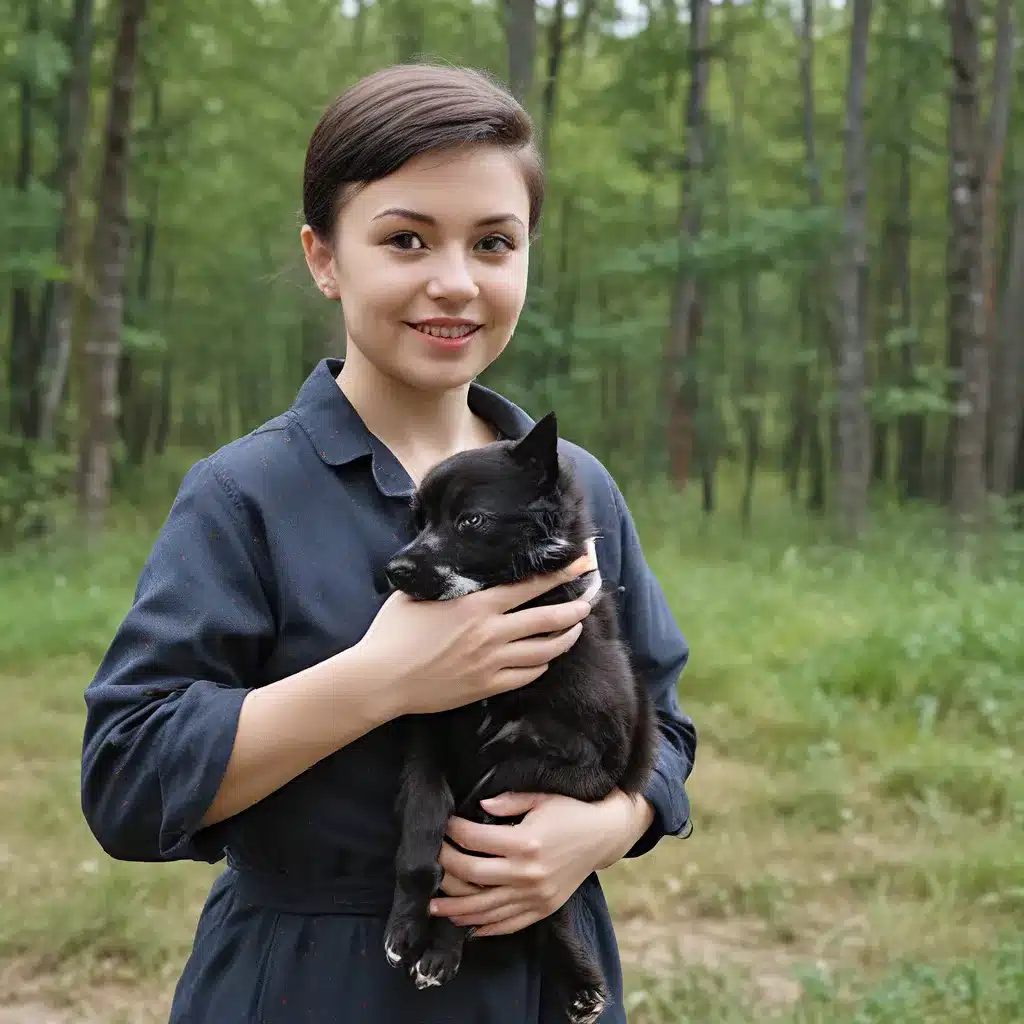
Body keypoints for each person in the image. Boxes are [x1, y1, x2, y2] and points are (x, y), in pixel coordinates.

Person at [80, 63, 697, 1023]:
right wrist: (383, 680)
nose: (454, 282)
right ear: (326, 257)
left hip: (541, 985)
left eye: (495, 242)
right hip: (312, 980)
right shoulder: (246, 495)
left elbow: (666, 724)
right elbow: (127, 775)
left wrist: (602, 829)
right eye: (406, 239)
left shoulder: (575, 489)